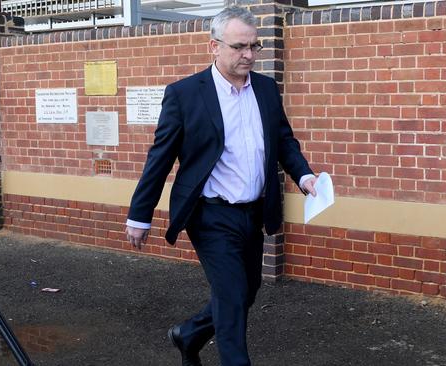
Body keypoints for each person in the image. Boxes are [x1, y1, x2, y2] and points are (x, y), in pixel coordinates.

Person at [125, 6, 317, 366]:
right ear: (213, 46)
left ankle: (189, 334)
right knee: (231, 299)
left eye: (254, 46)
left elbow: (283, 140)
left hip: (254, 212)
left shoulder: (265, 88)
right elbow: (160, 157)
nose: (248, 54)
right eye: (239, 46)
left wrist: (305, 176)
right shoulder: (185, 95)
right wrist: (140, 214)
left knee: (246, 293)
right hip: (210, 215)